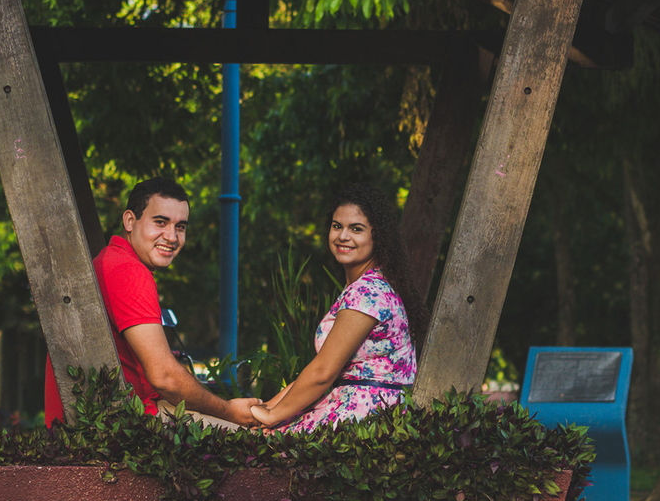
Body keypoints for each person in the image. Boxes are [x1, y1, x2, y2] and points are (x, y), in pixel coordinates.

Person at [44, 178, 260, 428]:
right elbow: (164, 377)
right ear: (129, 221)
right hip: (124, 427)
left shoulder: (111, 260)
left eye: (180, 227)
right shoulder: (128, 271)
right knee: (259, 443)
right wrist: (229, 411)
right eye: (160, 222)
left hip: (107, 419)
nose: (171, 237)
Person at [251, 184, 426, 432]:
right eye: (337, 226)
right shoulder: (372, 286)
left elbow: (323, 373)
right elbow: (322, 372)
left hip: (364, 419)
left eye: (356, 229)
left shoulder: (368, 293)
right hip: (366, 411)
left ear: (378, 236)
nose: (343, 236)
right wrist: (267, 408)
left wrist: (271, 417)